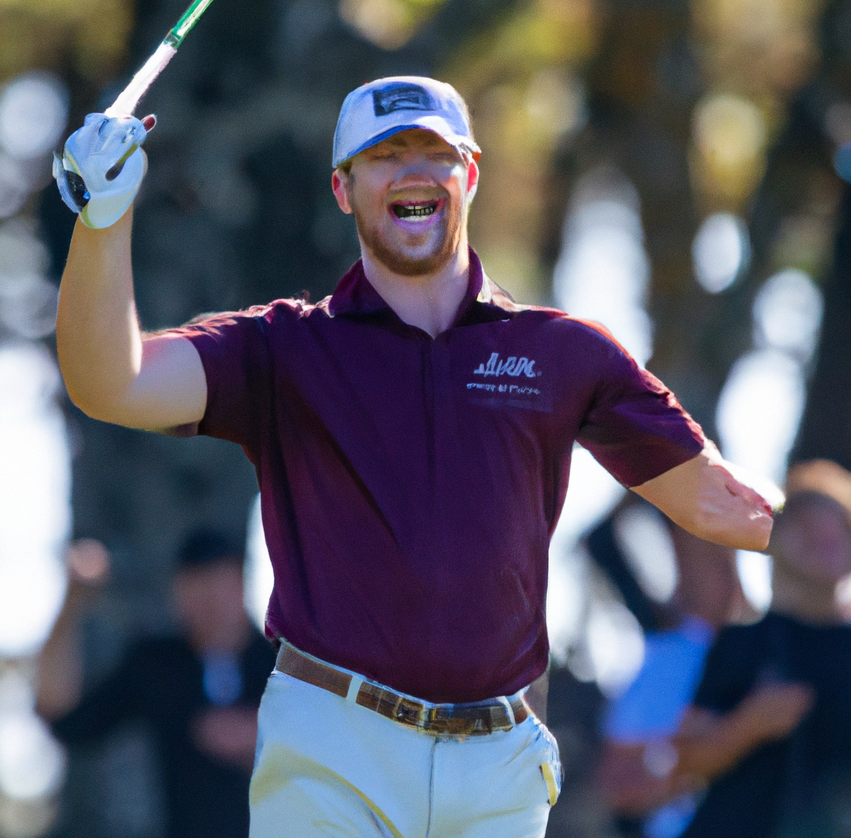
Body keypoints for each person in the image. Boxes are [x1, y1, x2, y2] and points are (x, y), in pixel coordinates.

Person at [52, 76, 774, 838]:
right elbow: (113, 383)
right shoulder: (282, 349)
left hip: (500, 765)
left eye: (433, 151)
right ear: (343, 187)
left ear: (469, 174)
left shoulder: (562, 353)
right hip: (335, 744)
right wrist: (105, 219)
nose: (412, 171)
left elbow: (717, 503)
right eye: (385, 154)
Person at [35, 529, 276, 838]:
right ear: (178, 592)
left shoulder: (284, 664)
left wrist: (264, 735)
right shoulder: (158, 665)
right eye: (197, 584)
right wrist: (71, 602)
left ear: (241, 584)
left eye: (221, 583)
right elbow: (64, 718)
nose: (212, 600)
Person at [669, 459, 851, 838]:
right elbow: (685, 760)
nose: (824, 538)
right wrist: (748, 725)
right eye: (807, 526)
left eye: (837, 527)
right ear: (779, 541)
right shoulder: (743, 641)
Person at [598, 517, 749, 838]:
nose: (721, 571)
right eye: (706, 557)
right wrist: (727, 745)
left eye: (725, 558)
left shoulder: (775, 646)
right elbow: (620, 789)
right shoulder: (668, 657)